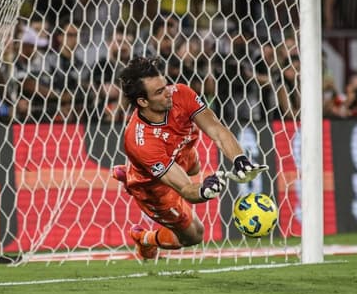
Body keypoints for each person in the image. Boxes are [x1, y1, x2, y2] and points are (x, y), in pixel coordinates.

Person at [112, 56, 267, 260]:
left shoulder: (180, 93)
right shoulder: (140, 141)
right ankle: (145, 237)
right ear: (142, 101)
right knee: (194, 235)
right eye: (159, 92)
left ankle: (134, 169)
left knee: (194, 168)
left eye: (165, 85)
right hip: (153, 187)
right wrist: (204, 190)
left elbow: (216, 129)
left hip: (181, 153)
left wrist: (240, 160)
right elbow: (186, 189)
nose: (168, 92)